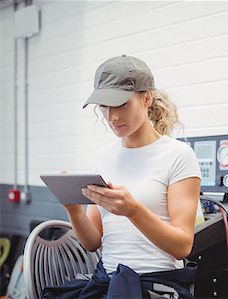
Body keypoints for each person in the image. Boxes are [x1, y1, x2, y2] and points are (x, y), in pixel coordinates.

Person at [42, 55, 201, 299]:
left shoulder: (178, 155)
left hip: (155, 283)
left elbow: (182, 247)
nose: (112, 116)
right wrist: (72, 209)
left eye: (122, 104)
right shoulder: (104, 156)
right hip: (106, 281)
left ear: (146, 98)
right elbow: (93, 242)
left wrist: (133, 210)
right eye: (105, 106)